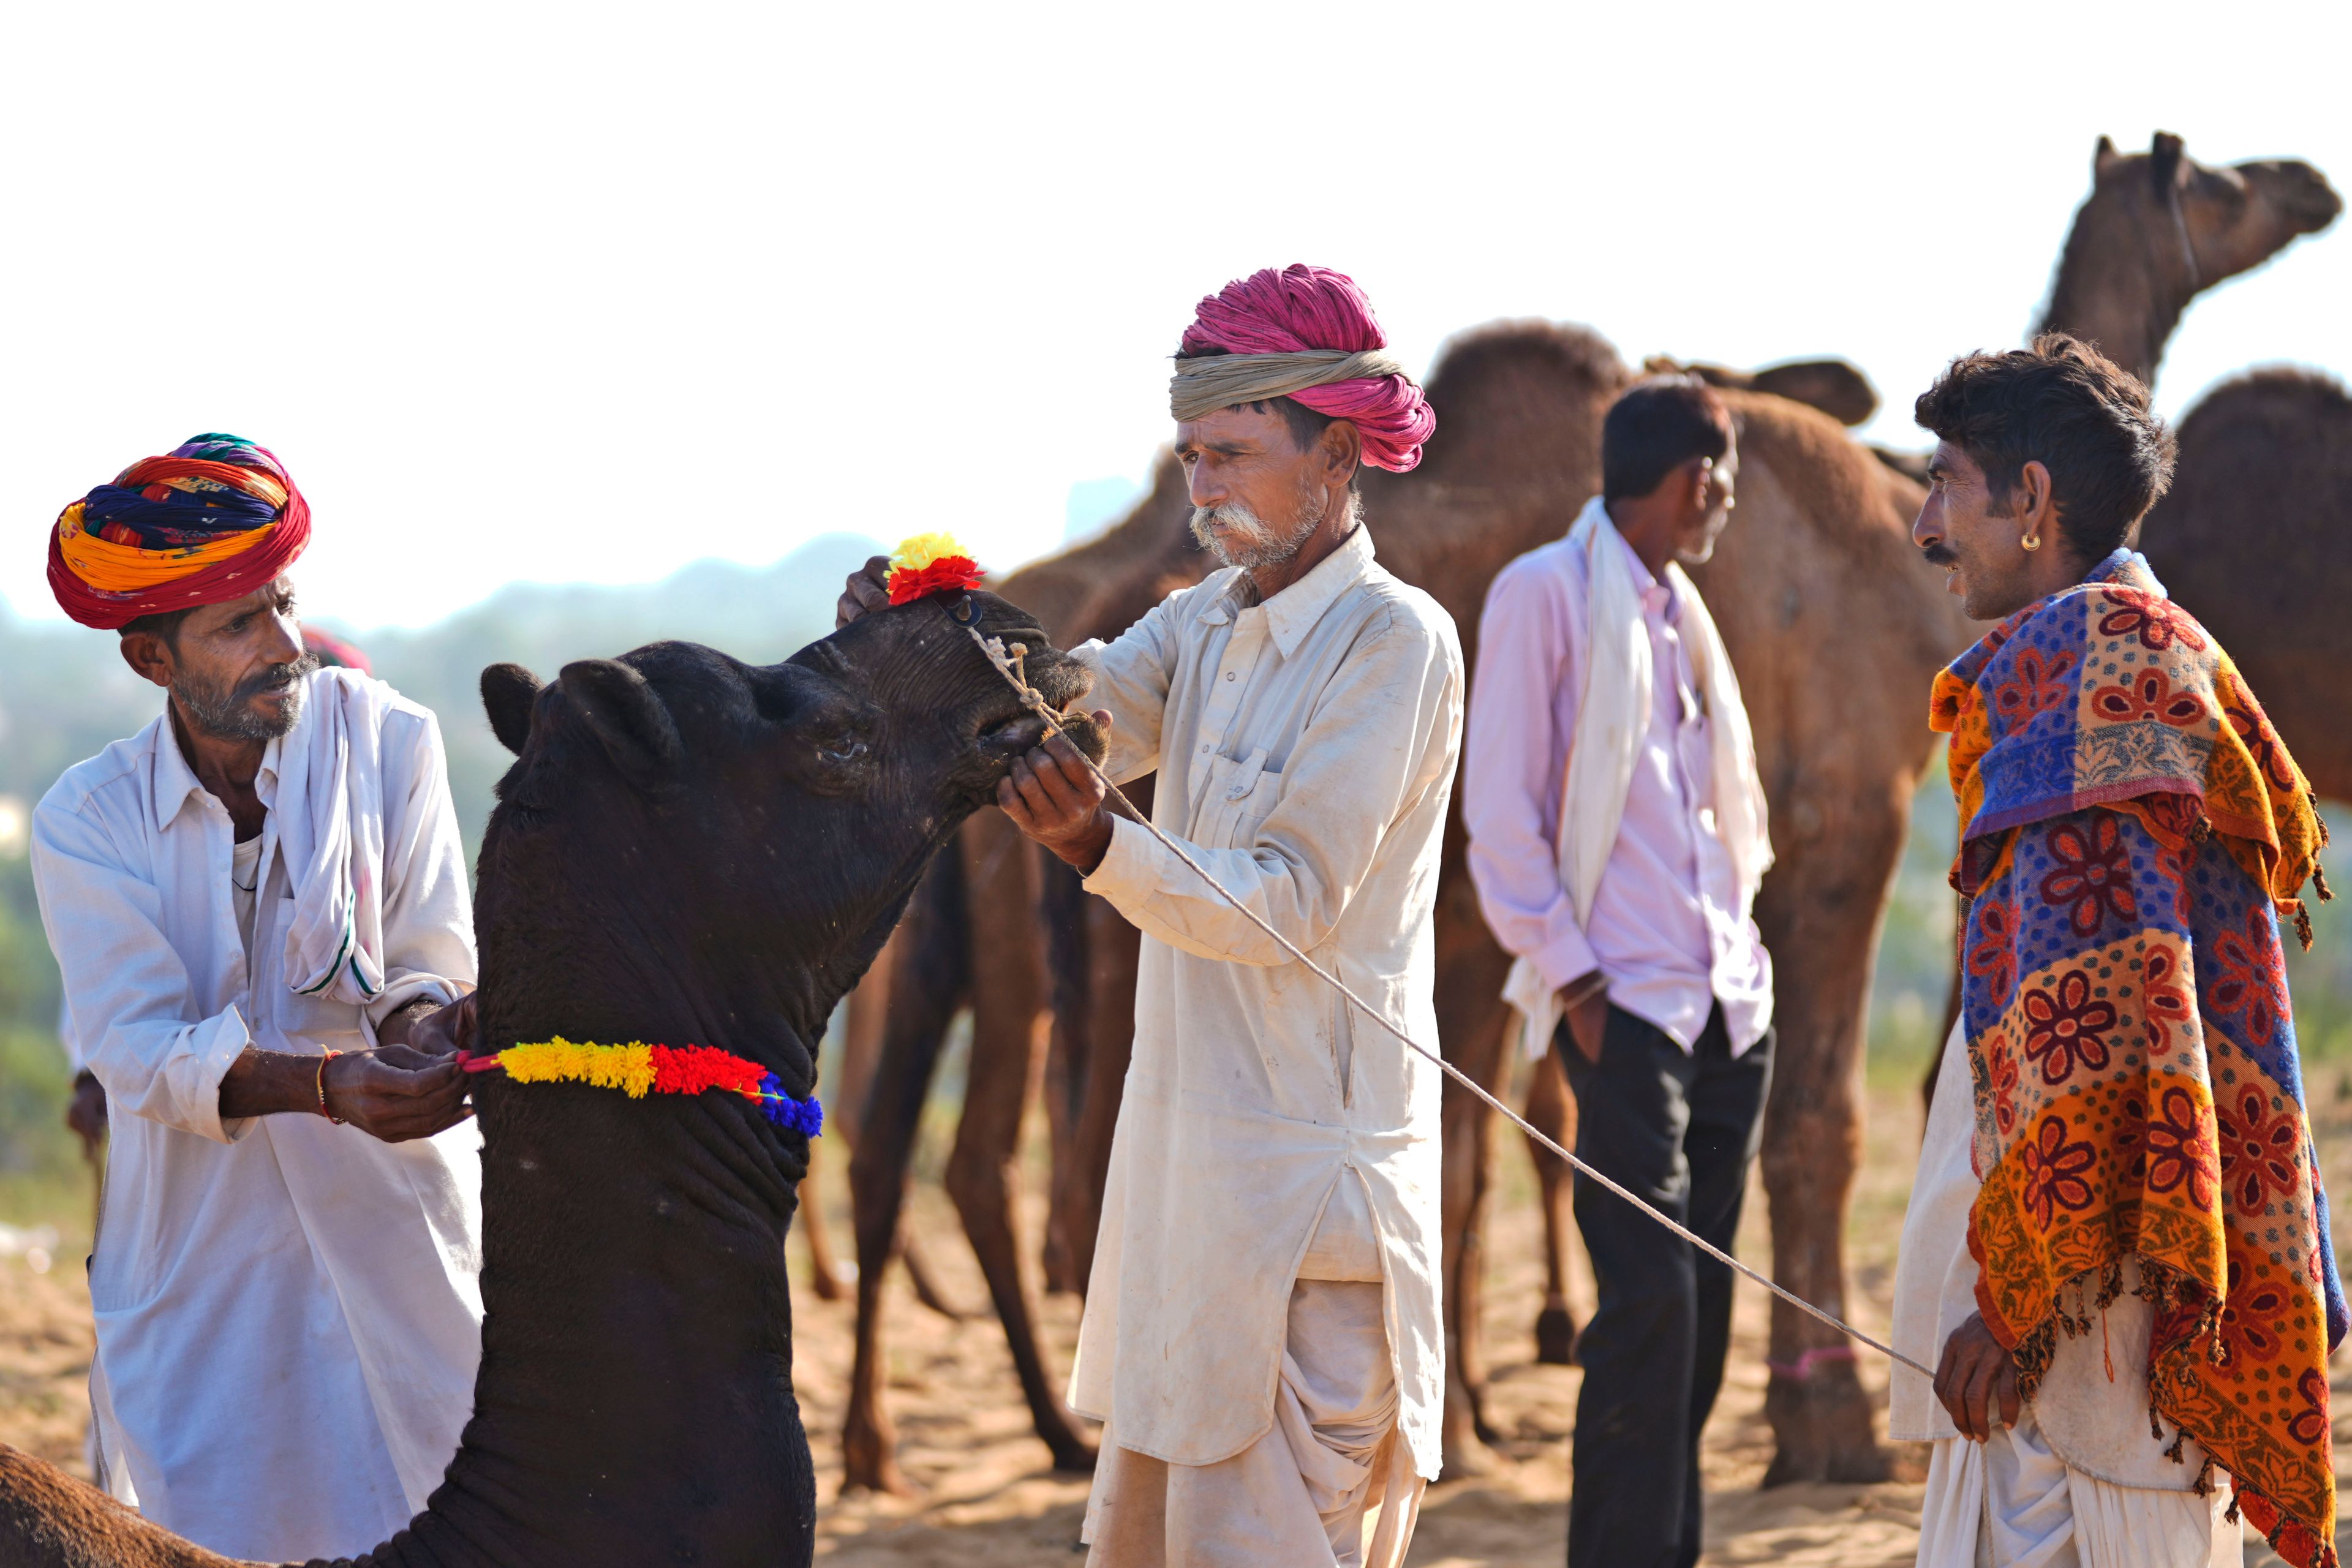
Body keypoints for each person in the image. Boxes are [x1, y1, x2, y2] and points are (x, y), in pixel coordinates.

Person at [838, 264, 1457, 1566]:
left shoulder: (1397, 644)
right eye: (1191, 455)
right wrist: (922, 652)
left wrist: (1097, 842)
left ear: (1339, 455)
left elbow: (1289, 897)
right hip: (1187, 1217)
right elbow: (1070, 712)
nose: (1203, 488)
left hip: (1312, 1232)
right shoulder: (1200, 626)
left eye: (1233, 454)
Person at [1893, 336, 2344, 1568]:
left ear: (2029, 501)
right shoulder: (2152, 647)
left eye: (1946, 483)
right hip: (2124, 1270)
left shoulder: (2083, 668)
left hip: (2090, 1313)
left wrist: (2015, 1307)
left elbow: (2112, 1020)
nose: (1926, 520)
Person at [32, 435, 485, 1562]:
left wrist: (431, 1038)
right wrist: (330, 1087)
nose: (284, 645)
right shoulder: (86, 823)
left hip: (401, 1242)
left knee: (451, 1512)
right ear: (152, 661)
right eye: (238, 624)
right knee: (222, 1536)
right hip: (204, 1271)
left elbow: (430, 965)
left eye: (281, 604)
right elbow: (135, 1051)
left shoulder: (392, 746)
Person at [1460, 375, 1774, 1568]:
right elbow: (1501, 813)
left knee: (1699, 1324)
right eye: (1724, 477)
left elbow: (1706, 812)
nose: (1727, 500)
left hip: (1728, 1009)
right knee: (1649, 1313)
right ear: (1697, 478)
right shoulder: (1544, 591)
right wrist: (1575, 984)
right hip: (1625, 1008)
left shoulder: (1681, 610)